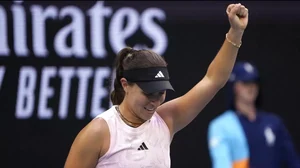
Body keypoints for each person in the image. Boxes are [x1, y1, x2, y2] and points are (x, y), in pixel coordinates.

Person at [64, 3, 249, 168]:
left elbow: (213, 80)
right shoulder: (98, 133)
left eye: (160, 93)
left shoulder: (166, 120)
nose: (154, 101)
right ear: (125, 84)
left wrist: (235, 33)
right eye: (148, 93)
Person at [207, 61, 300, 168]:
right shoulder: (221, 125)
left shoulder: (274, 123)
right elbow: (221, 164)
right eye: (245, 83)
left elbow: (293, 161)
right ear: (235, 87)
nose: (251, 87)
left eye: (254, 82)